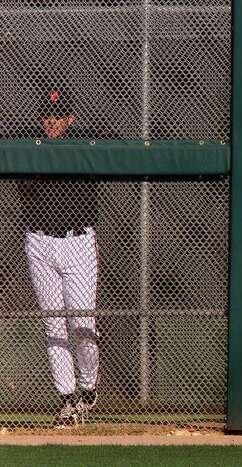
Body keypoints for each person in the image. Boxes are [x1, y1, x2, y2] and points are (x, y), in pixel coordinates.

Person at [21, 86, 100, 428]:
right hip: (39, 242)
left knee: (82, 324)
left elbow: (108, 139)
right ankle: (67, 399)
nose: (51, 122)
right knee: (53, 323)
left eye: (59, 116)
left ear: (71, 118)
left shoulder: (83, 144)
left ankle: (88, 388)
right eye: (47, 116)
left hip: (77, 242)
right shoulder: (28, 145)